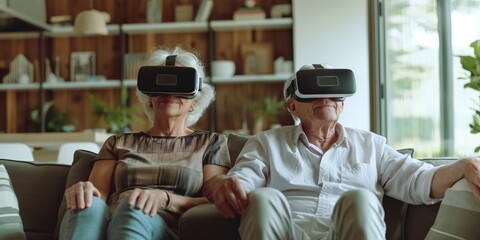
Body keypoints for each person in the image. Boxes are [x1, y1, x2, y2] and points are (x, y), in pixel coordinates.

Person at [204, 64, 480, 240]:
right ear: (292, 107)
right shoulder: (265, 142)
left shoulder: (371, 145)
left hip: (345, 232)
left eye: (334, 94)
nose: (325, 99)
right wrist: (229, 184)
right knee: (263, 198)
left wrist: (465, 164)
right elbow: (243, 179)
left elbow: (420, 181)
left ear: (342, 104)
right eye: (311, 93)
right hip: (286, 230)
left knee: (360, 198)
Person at [59, 46, 231, 240]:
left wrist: (165, 199)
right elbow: (98, 195)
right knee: (87, 204)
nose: (168, 91)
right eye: (160, 83)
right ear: (149, 98)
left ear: (194, 100)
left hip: (165, 227)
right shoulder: (118, 142)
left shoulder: (210, 143)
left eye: (179, 84)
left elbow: (216, 202)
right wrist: (84, 190)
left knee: (133, 206)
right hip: (111, 221)